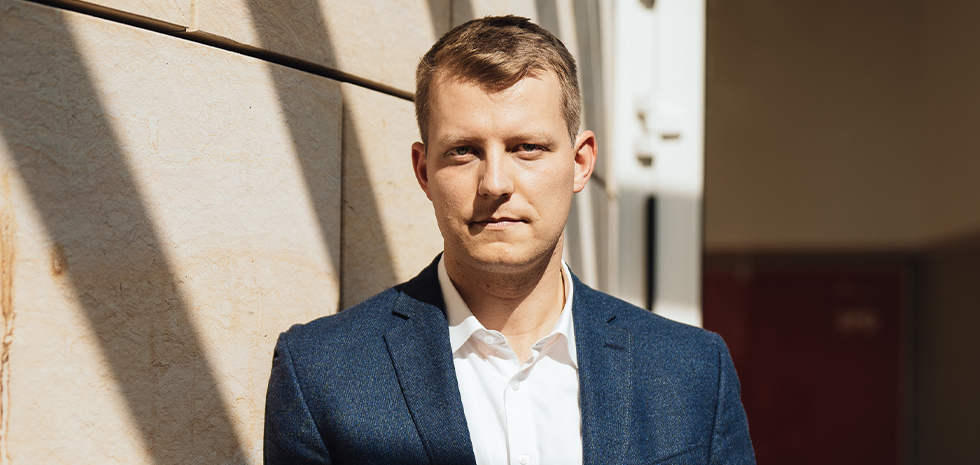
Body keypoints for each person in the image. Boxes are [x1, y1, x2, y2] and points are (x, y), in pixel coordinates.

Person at [264, 15, 754, 465]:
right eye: (464, 151)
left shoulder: (691, 372)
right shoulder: (320, 373)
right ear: (424, 171)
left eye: (527, 147)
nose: (495, 183)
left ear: (580, 163)